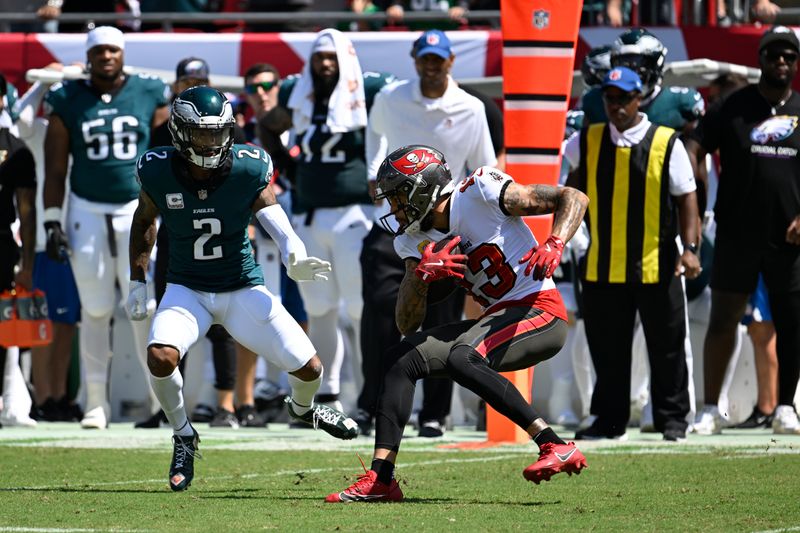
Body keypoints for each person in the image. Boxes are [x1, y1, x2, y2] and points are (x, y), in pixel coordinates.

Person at [326, 145, 589, 503]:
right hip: (497, 318)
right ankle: (382, 479)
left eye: (399, 196)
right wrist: (420, 276)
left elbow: (572, 196)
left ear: (422, 188)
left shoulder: (480, 191)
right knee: (401, 358)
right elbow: (407, 321)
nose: (393, 208)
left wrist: (556, 242)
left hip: (539, 310)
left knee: (463, 356)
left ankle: (553, 444)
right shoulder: (411, 238)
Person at [129, 86, 359, 492]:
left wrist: (294, 254)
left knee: (310, 369)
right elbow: (145, 219)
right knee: (161, 357)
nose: (212, 142)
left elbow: (273, 214)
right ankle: (183, 434)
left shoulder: (247, 166)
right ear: (180, 133)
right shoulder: (157, 170)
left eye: (219, 132)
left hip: (241, 287)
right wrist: (137, 279)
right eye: (202, 134)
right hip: (187, 288)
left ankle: (303, 410)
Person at [359, 29, 497, 437]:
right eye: (425, 59)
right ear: (415, 60)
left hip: (444, 228)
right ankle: (374, 405)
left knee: (442, 321)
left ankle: (434, 414)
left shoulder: (471, 107)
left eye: (439, 59)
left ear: (451, 61)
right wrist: (375, 179)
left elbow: (484, 165)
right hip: (396, 221)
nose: (432, 66)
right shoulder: (390, 97)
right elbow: (374, 144)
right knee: (381, 318)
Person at [259, 29, 395, 414]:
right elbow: (269, 124)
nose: (325, 64)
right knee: (318, 310)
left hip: (356, 212)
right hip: (311, 211)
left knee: (358, 309)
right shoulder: (300, 94)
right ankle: (330, 393)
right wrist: (289, 169)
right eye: (319, 57)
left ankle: (371, 394)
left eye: (331, 57)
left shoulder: (368, 91)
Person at [42, 26, 171, 429]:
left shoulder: (149, 91)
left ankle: (160, 400)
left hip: (137, 208)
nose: (107, 56)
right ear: (89, 55)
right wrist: (51, 218)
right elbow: (57, 166)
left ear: (122, 53)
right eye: (99, 50)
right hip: (86, 207)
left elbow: (168, 154)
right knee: (95, 309)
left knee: (141, 306)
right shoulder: (67, 97)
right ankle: (96, 401)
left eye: (113, 49)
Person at [564, 67, 701, 442]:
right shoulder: (584, 141)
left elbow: (687, 197)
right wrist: (560, 237)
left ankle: (673, 420)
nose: (616, 106)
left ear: (639, 99)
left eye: (623, 98)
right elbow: (570, 195)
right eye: (610, 98)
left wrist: (689, 250)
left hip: (656, 263)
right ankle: (608, 421)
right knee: (607, 351)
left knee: (667, 347)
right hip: (602, 264)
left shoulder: (665, 142)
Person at [685, 26, 800, 435]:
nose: (781, 62)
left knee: (790, 324)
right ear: (761, 59)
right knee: (723, 320)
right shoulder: (734, 106)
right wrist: (695, 184)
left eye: (788, 56)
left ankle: (786, 407)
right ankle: (711, 409)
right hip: (736, 232)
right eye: (773, 55)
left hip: (788, 239)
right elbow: (694, 146)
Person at [142, 56, 266, 430]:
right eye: (187, 81)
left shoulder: (227, 126)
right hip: (178, 234)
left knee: (225, 326)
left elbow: (249, 182)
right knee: (173, 320)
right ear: (176, 86)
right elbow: (152, 191)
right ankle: (173, 409)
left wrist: (248, 227)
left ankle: (226, 404)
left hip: (224, 234)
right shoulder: (164, 132)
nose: (193, 86)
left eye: (200, 80)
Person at [12, 64, 82, 423]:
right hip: (44, 243)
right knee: (45, 327)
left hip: (79, 240)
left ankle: (60, 396)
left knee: (68, 326)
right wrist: (42, 81)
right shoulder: (40, 132)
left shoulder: (82, 131)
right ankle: (44, 397)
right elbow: (19, 116)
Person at [0, 73, 37, 428]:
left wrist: (28, 262)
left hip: (1, 243)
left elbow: (27, 210)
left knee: (5, 329)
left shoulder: (15, 148)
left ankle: (11, 400)